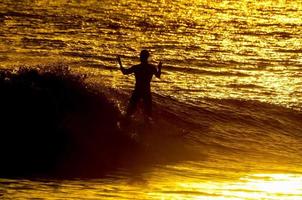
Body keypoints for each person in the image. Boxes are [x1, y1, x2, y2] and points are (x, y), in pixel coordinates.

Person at [117, 50, 162, 122]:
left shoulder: (136, 67)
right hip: (146, 91)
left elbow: (124, 72)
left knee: (130, 111)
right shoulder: (151, 67)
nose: (140, 57)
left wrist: (120, 63)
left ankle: (126, 123)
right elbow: (158, 76)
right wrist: (159, 68)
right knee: (148, 113)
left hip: (137, 91)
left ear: (142, 57)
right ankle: (147, 127)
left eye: (140, 56)